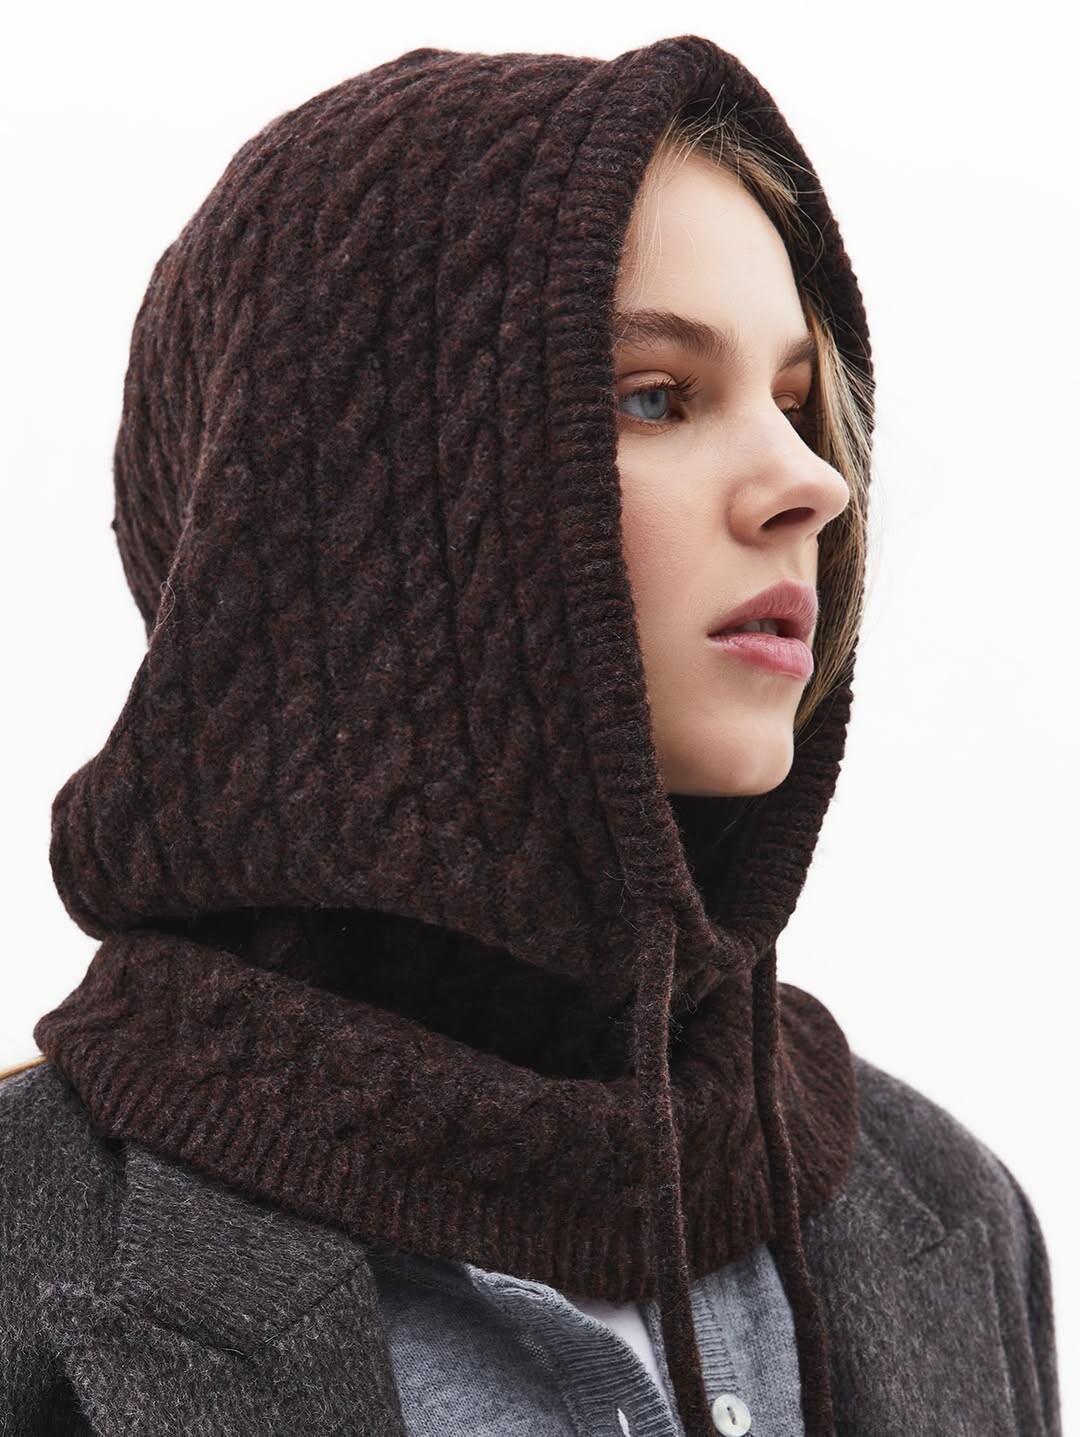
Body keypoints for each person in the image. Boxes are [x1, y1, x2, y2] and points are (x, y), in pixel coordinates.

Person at [0, 34, 1061, 1437]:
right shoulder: (35, 1245)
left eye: (800, 402)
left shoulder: (949, 1213)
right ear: (357, 508)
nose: (813, 481)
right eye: (654, 396)